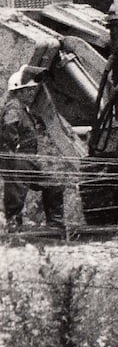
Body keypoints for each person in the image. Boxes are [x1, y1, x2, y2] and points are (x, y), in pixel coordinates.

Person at [0, 68, 65, 233]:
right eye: (28, 90)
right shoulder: (13, 108)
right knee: (16, 196)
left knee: (53, 184)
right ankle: (14, 232)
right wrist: (14, 148)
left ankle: (55, 226)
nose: (31, 93)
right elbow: (9, 125)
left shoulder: (22, 108)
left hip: (28, 159)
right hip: (17, 159)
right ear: (18, 91)